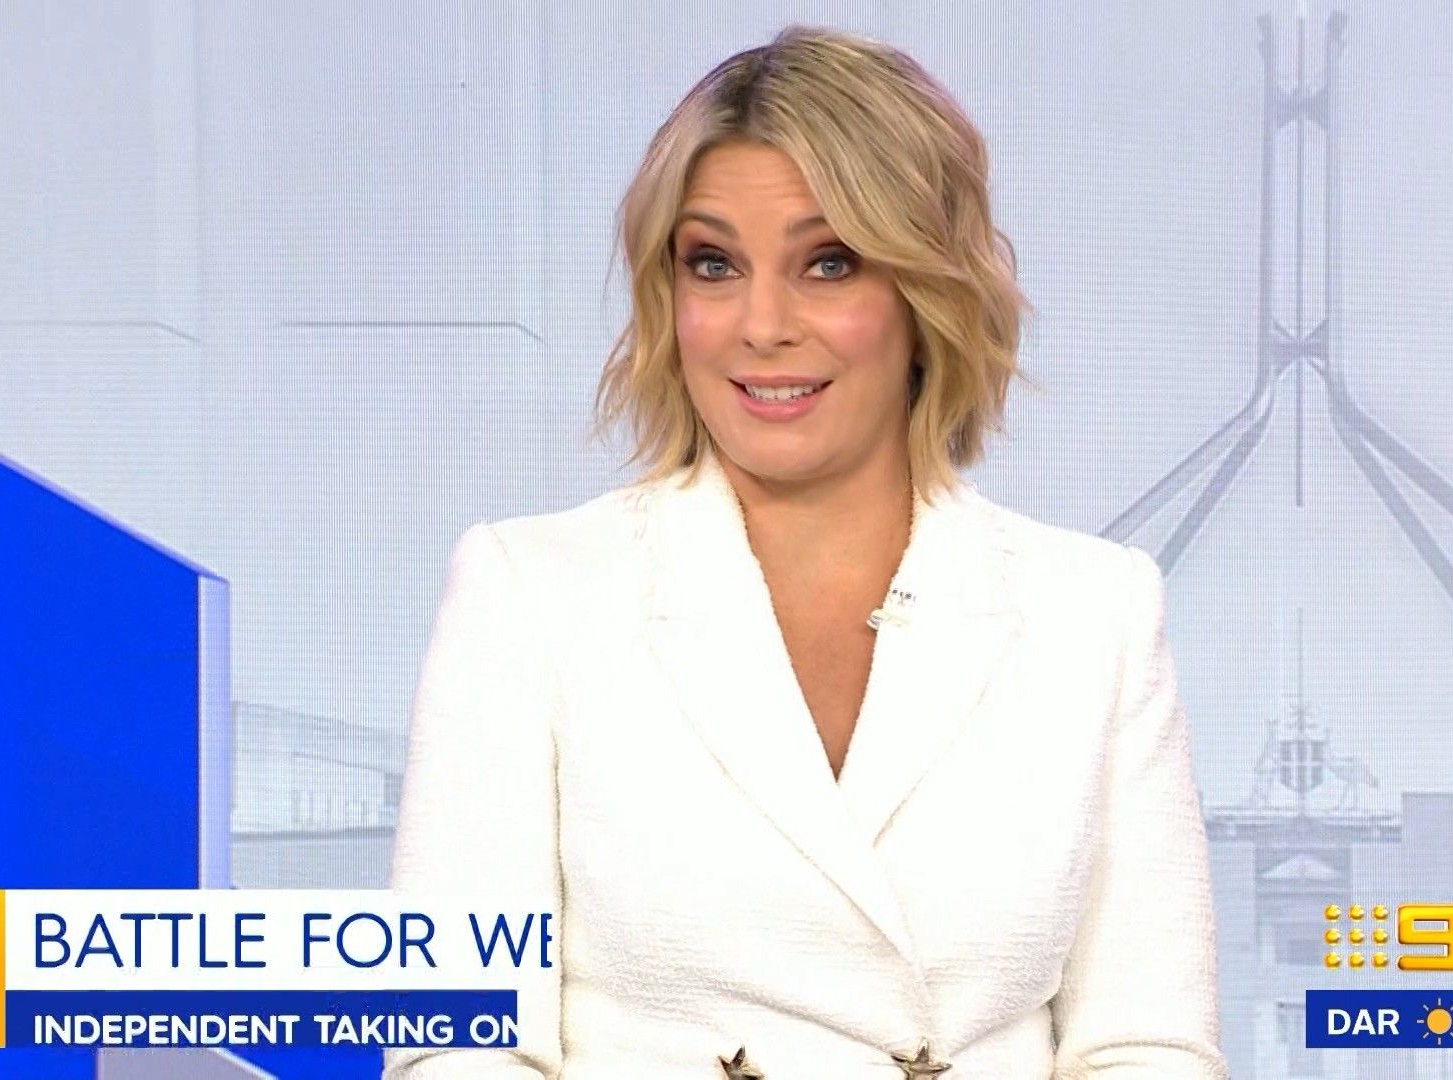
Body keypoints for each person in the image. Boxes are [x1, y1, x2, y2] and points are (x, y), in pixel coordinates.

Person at [385, 24, 1224, 1079]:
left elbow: (1147, 1046)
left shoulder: (1094, 612)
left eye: (829, 263)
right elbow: (459, 1050)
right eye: (714, 265)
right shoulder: (530, 594)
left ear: (928, 293)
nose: (762, 324)